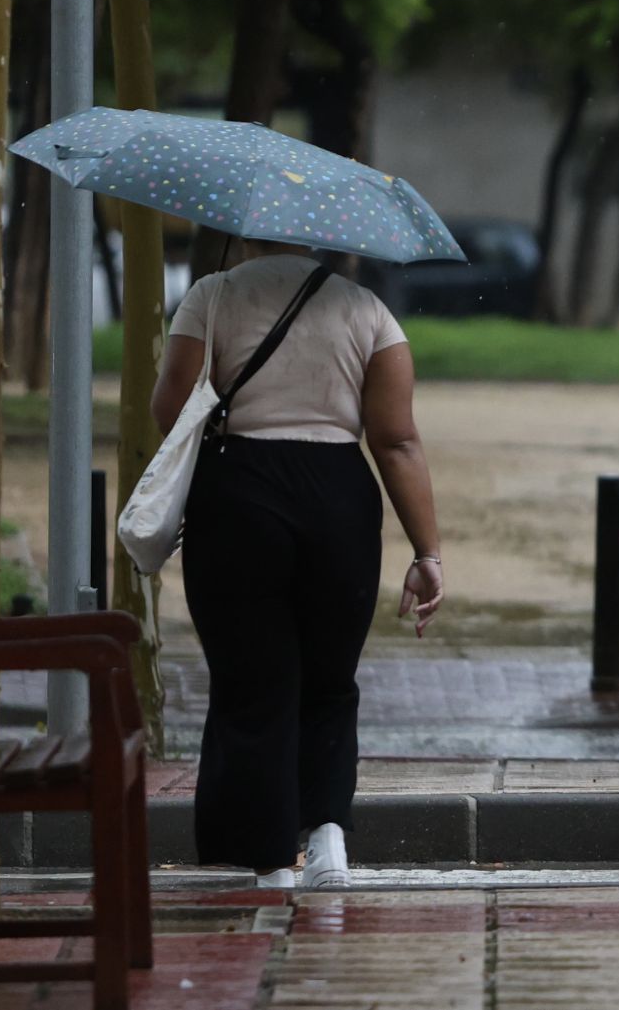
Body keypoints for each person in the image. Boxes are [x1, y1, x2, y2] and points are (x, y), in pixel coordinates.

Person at [153, 241, 445, 890]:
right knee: (330, 678)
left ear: (249, 233)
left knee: (253, 680)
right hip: (339, 496)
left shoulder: (212, 296)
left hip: (238, 495)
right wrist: (426, 552)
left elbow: (169, 407)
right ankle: (328, 840)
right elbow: (396, 438)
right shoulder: (367, 310)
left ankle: (270, 865)